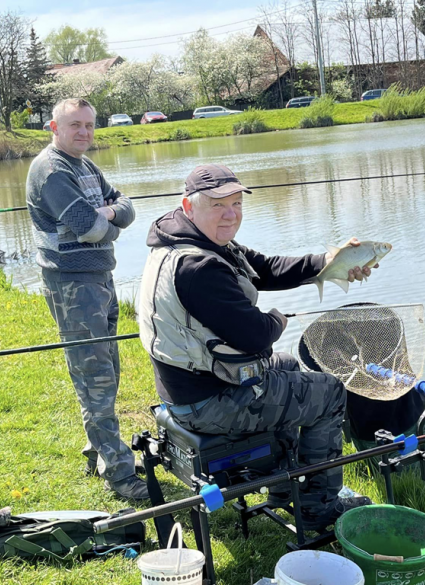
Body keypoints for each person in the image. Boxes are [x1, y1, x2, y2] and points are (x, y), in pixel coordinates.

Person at [137, 164, 376, 531]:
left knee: (290, 367)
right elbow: (255, 336)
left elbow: (264, 268)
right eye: (218, 205)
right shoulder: (198, 267)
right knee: (329, 393)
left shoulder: (190, 240)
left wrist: (328, 263)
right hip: (208, 402)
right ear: (189, 205)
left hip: (195, 385)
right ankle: (319, 507)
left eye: (236, 203)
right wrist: (278, 319)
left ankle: (285, 488)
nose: (231, 214)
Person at [25, 97, 147, 500]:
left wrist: (107, 216)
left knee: (107, 370)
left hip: (99, 279)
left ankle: (97, 452)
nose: (84, 132)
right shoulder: (51, 170)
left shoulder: (84, 165)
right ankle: (122, 477)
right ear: (53, 127)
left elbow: (126, 208)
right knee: (95, 380)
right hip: (72, 285)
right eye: (75, 124)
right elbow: (89, 226)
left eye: (90, 125)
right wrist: (108, 219)